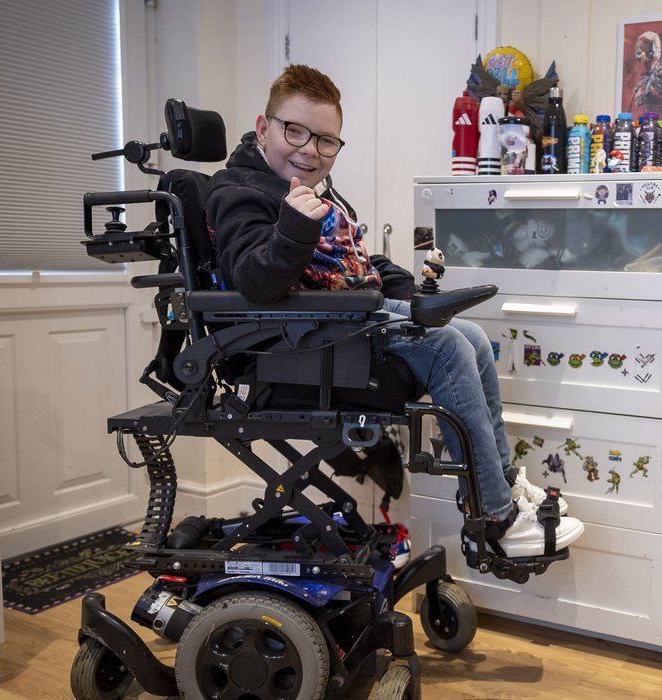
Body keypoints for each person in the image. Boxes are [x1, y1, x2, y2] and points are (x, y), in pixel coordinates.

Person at [205, 64, 583, 557]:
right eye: (293, 131)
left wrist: (409, 295)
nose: (308, 150)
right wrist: (295, 228)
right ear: (263, 128)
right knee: (447, 347)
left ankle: (502, 484)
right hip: (301, 338)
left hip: (343, 318)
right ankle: (494, 516)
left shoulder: (306, 191)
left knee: (465, 332)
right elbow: (254, 281)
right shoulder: (236, 192)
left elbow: (356, 259)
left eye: (326, 141)